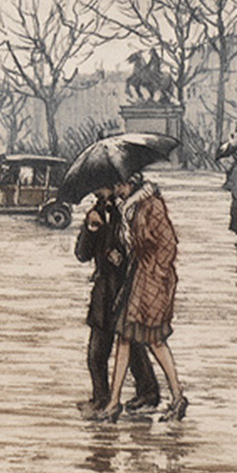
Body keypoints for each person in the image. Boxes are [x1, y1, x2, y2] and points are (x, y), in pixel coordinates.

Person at [95, 173, 188, 422]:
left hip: (153, 280)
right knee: (125, 337)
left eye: (120, 185)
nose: (116, 190)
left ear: (132, 183)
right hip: (138, 277)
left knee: (154, 340)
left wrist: (154, 274)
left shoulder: (151, 205)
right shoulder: (128, 208)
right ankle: (114, 402)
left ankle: (177, 397)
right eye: (115, 186)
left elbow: (169, 245)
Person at [74, 186, 160, 414]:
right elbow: (82, 254)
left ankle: (148, 392)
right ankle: (101, 397)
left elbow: (140, 250)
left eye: (101, 186)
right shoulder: (96, 212)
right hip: (104, 290)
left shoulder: (128, 211)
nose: (96, 191)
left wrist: (119, 257)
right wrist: (91, 228)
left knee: (132, 344)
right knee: (97, 352)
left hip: (126, 286)